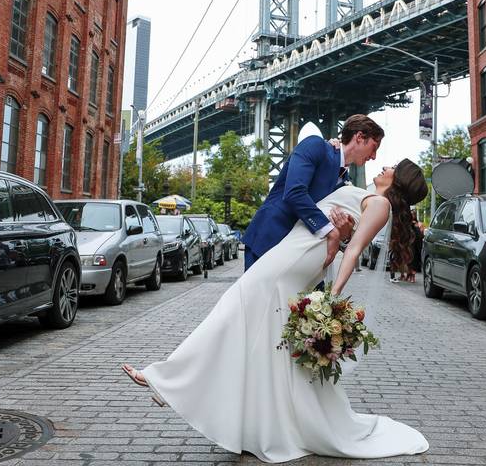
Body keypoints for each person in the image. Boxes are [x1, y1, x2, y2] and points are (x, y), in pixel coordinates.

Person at [121, 159, 430, 463]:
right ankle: (233, 410)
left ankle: (168, 380)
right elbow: (341, 227)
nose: (384, 166)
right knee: (259, 333)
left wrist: (330, 302)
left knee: (234, 307)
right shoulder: (368, 195)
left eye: (391, 167)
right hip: (294, 250)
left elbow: (352, 251)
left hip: (298, 259)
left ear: (399, 179)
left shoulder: (380, 204)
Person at [242, 114, 384, 272]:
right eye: (374, 147)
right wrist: (330, 230)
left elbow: (339, 229)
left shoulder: (345, 181)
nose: (374, 156)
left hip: (301, 255)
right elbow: (294, 192)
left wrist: (344, 231)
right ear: (359, 137)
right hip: (269, 240)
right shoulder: (315, 145)